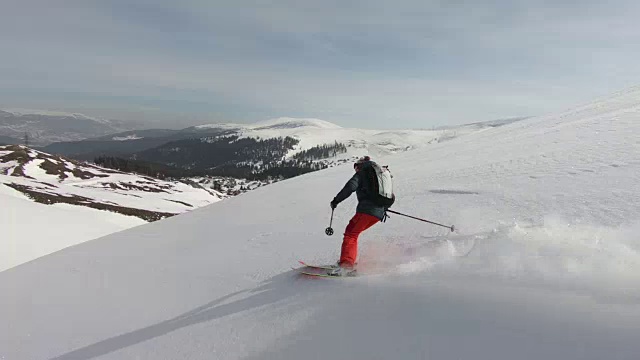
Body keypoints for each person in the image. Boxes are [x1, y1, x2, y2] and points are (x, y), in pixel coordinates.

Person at [328, 156, 390, 276]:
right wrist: (381, 209)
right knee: (353, 233)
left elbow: (350, 187)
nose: (355, 170)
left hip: (367, 211)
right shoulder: (379, 174)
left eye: (356, 167)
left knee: (350, 233)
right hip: (378, 214)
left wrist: (336, 200)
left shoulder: (362, 173)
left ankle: (346, 265)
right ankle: (348, 260)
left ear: (359, 165)